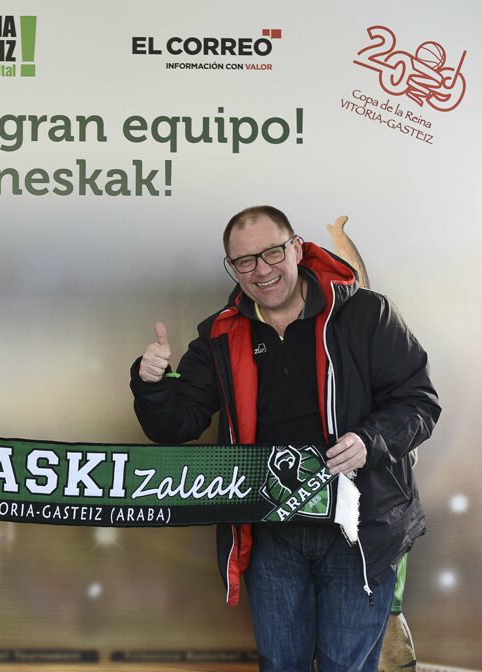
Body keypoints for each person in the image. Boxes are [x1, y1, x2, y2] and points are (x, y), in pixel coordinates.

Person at [129, 205, 440, 671]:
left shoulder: (366, 313)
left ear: (296, 248)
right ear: (232, 267)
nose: (262, 270)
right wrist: (150, 383)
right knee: (280, 663)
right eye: (245, 261)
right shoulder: (219, 334)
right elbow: (176, 424)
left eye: (272, 253)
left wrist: (368, 441)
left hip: (360, 527)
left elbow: (419, 403)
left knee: (346, 666)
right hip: (270, 530)